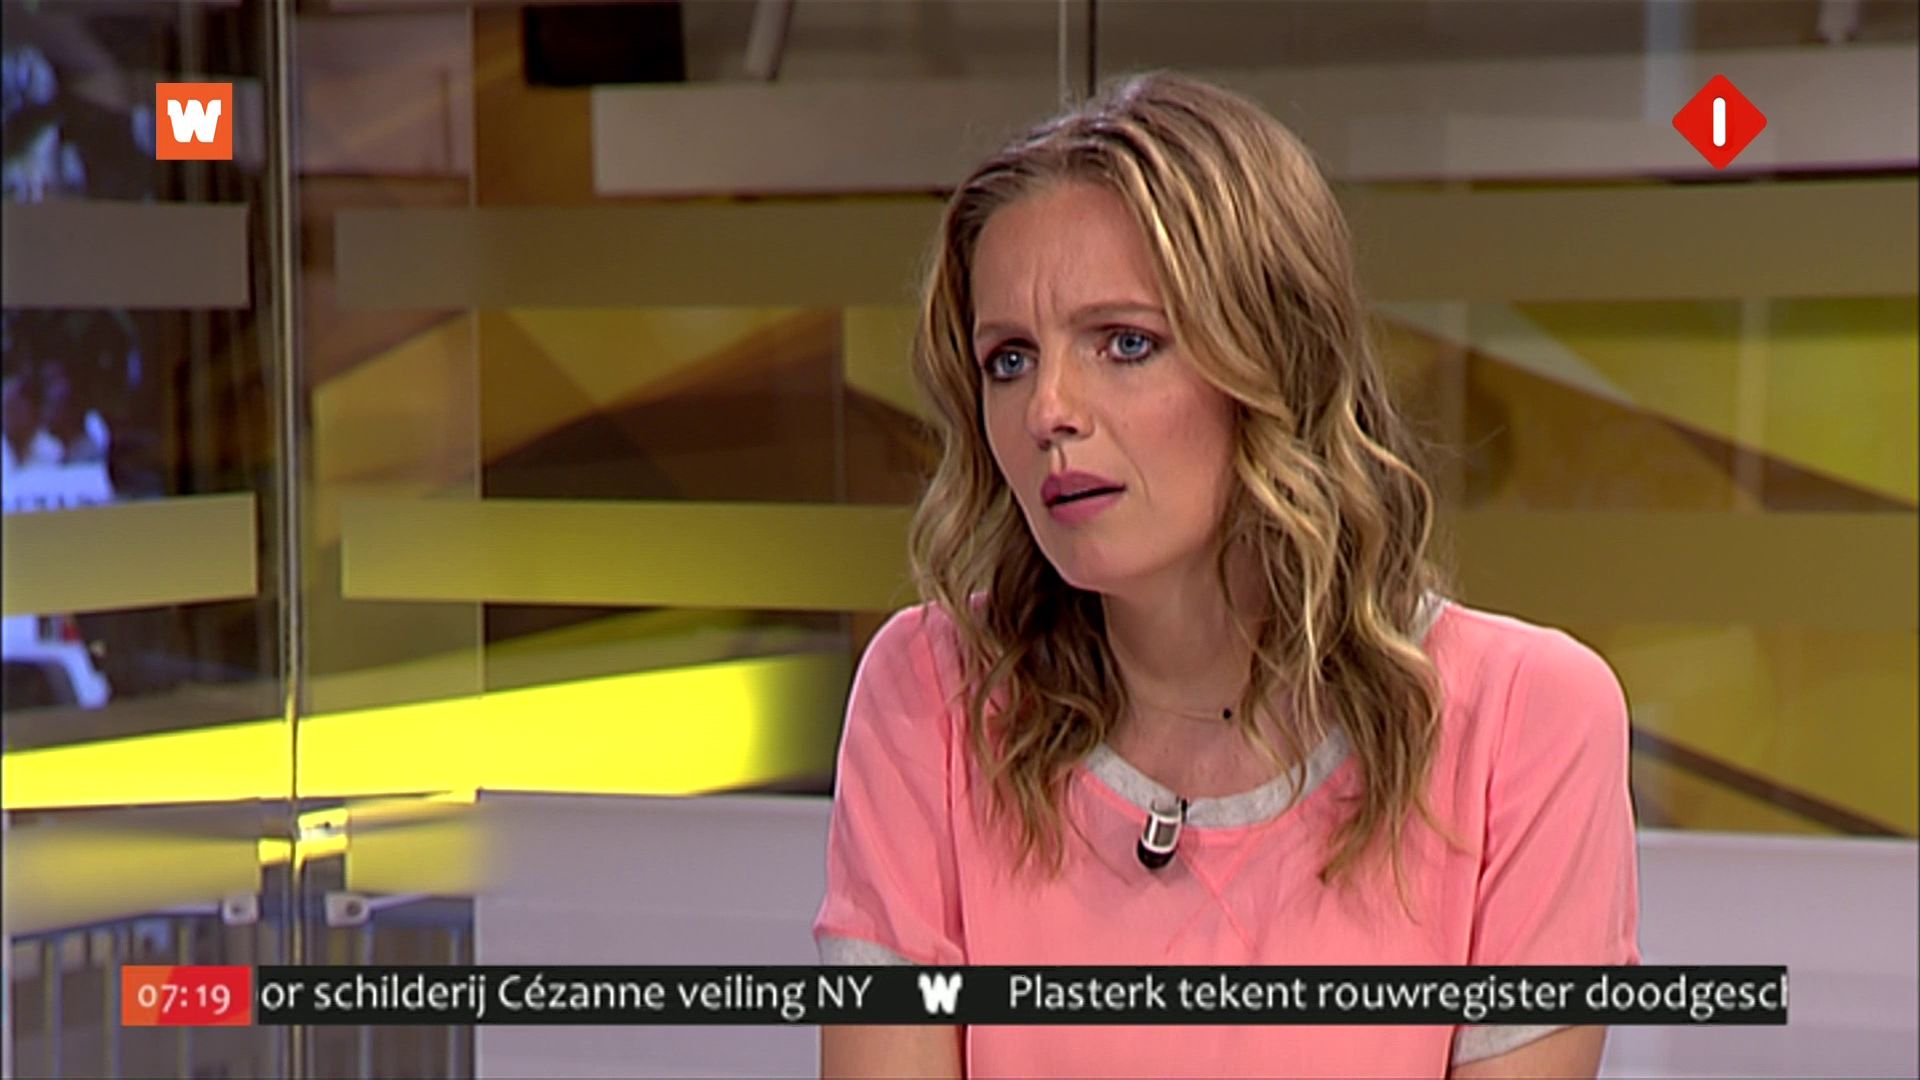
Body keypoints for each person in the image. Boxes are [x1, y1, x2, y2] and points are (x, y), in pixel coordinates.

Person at [813, 71, 1639, 1080]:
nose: (1049, 412)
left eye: (1126, 343)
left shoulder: (1524, 722)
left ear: (1274, 362)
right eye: (1010, 359)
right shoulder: (933, 694)